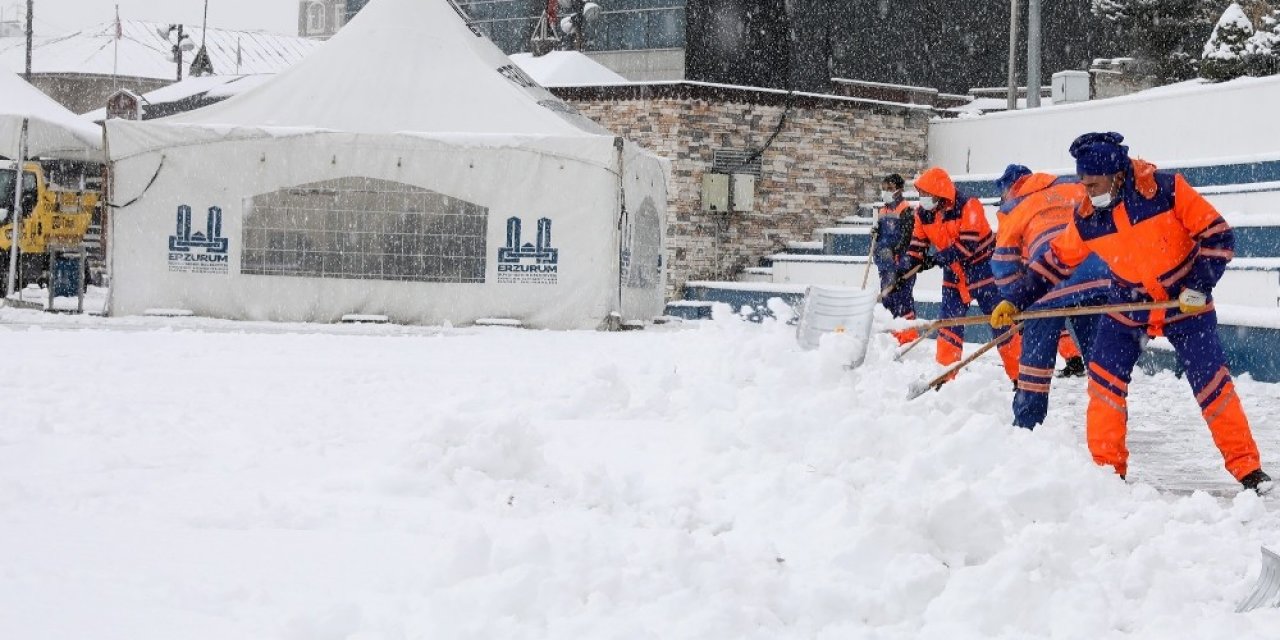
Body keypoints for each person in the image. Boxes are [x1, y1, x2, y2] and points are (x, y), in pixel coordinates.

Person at [991, 132, 1271, 492]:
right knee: (1104, 382)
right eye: (1083, 184)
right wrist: (1016, 299)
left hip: (1185, 303)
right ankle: (1106, 473)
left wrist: (1198, 286)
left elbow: (1218, 236)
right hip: (1129, 305)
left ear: (1116, 174)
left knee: (1212, 385)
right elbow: (1055, 262)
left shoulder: (1167, 191)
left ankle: (1248, 468)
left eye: (1093, 184)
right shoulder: (1089, 217)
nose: (1087, 192)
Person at [992, 165, 1111, 429]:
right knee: (1101, 362)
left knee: (1035, 364)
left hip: (1047, 282)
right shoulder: (1073, 186)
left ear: (1012, 188)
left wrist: (1015, 299)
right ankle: (1109, 425)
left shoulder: (1018, 205)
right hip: (1097, 278)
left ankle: (1027, 426)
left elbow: (1002, 260)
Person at [902, 166, 1021, 382]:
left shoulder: (968, 205)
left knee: (1000, 321)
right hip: (955, 273)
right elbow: (917, 243)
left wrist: (935, 259)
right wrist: (907, 267)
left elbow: (968, 245)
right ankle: (945, 375)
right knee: (949, 322)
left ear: (939, 193)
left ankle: (1020, 377)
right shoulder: (923, 214)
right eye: (921, 194)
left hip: (984, 270)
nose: (923, 199)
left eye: (926, 194)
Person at [873, 174, 919, 345]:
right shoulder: (882, 211)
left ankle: (907, 336)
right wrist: (876, 235)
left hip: (902, 263)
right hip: (885, 264)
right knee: (888, 300)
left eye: (890, 189)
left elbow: (907, 237)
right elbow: (881, 237)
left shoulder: (906, 210)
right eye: (884, 189)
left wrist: (895, 251)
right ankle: (892, 338)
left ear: (899, 190)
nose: (886, 192)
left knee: (902, 299)